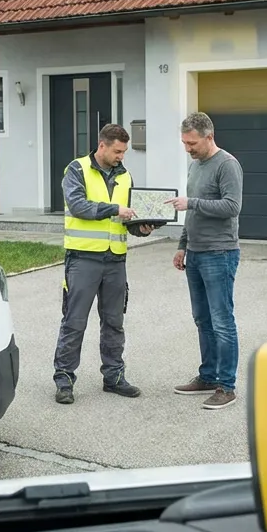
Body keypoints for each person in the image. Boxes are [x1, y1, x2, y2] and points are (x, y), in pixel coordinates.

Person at [53, 123, 156, 405]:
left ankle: (114, 377)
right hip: (83, 258)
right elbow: (78, 206)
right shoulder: (76, 170)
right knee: (74, 322)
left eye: (124, 152)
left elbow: (127, 220)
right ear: (102, 146)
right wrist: (114, 209)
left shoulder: (125, 177)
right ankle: (64, 380)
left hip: (115, 260)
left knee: (114, 322)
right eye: (117, 151)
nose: (121, 156)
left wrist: (140, 228)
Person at [166, 112, 244, 410]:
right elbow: (192, 213)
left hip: (219, 253)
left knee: (222, 321)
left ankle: (226, 386)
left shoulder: (227, 165)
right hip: (196, 253)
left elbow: (232, 206)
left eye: (192, 143)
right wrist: (182, 246)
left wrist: (192, 203)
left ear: (209, 137)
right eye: (185, 143)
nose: (188, 148)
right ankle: (208, 376)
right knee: (203, 319)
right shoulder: (195, 165)